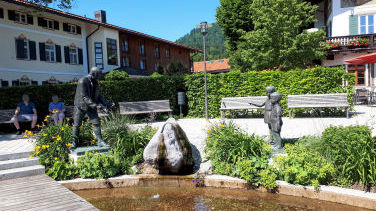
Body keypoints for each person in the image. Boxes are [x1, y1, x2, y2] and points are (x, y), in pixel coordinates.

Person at [71, 67, 112, 150]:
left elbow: (99, 95)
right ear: (94, 74)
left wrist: (106, 103)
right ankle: (74, 142)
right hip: (81, 105)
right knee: (77, 124)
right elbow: (85, 97)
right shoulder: (83, 81)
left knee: (96, 122)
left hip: (91, 105)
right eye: (99, 74)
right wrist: (96, 106)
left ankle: (100, 141)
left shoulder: (95, 82)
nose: (100, 76)